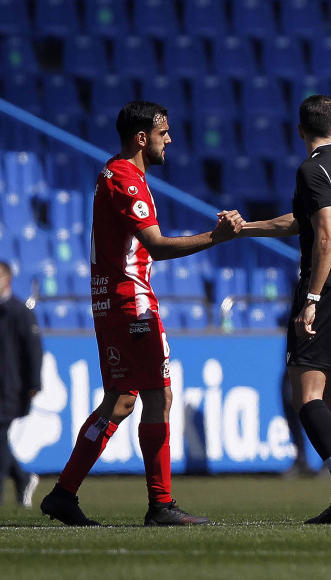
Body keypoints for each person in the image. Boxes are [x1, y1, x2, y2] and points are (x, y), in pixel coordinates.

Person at [39, 101, 244, 527]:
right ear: (141, 137)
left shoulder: (115, 173)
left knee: (121, 401)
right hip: (131, 302)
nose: (169, 139)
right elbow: (156, 245)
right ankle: (160, 505)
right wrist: (216, 237)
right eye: (163, 132)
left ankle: (63, 493)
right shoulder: (126, 181)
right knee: (156, 396)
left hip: (114, 299)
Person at [237, 95, 331, 524]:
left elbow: (326, 237)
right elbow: (301, 221)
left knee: (306, 393)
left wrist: (311, 299)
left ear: (300, 131)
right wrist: (245, 229)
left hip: (328, 287)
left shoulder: (311, 169)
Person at [0, 261, 42, 509]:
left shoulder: (19, 312)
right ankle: (22, 478)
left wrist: (33, 383)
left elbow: (33, 351)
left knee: (0, 435)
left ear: (7, 280)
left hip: (9, 387)